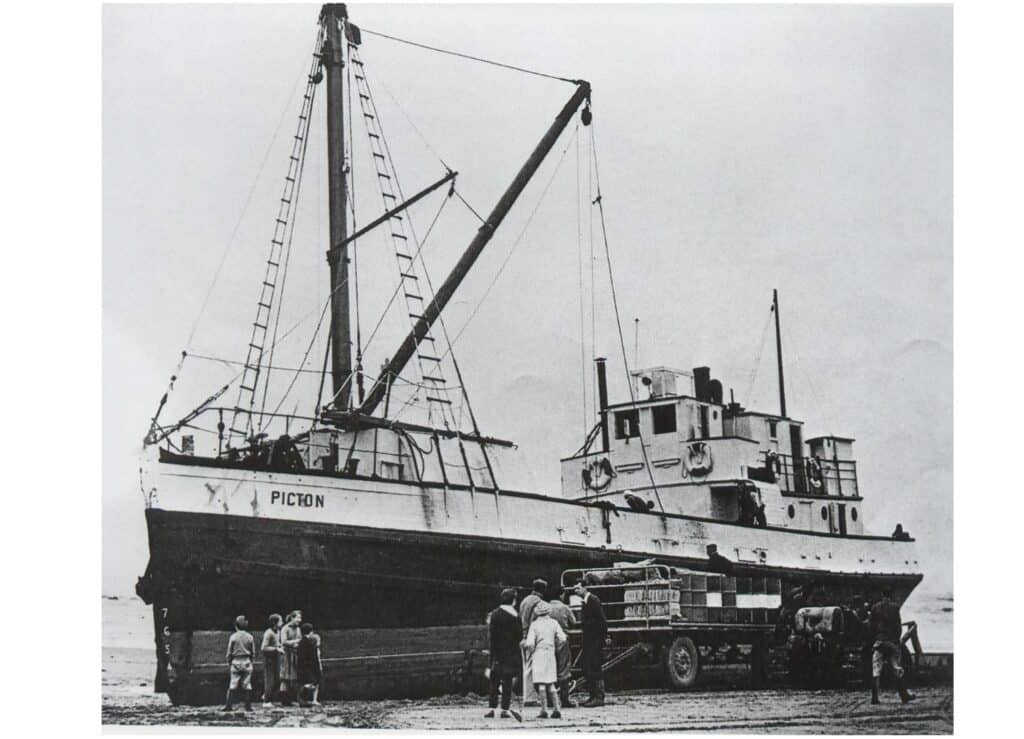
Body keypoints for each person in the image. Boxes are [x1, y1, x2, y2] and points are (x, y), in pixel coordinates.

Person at [869, 589, 915, 705]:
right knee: (897, 669)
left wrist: (874, 640)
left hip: (879, 643)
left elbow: (871, 626)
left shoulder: (875, 608)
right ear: (890, 596)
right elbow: (898, 627)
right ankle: (904, 696)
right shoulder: (895, 608)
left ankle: (874, 698)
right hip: (891, 643)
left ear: (882, 595)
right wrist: (896, 641)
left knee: (876, 671)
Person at [524, 601, 566, 719]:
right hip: (550, 653)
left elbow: (530, 642)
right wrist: (556, 646)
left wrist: (530, 651)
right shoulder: (554, 623)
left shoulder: (535, 624)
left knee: (541, 683)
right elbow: (563, 638)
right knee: (551, 682)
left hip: (539, 653)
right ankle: (557, 708)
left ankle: (544, 709)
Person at [485, 588, 522, 718]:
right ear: (513, 600)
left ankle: (491, 708)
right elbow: (519, 636)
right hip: (511, 652)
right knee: (507, 682)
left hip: (497, 652)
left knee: (494, 681)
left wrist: (491, 658)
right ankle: (505, 709)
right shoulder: (515, 616)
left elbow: (492, 637)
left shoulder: (495, 614)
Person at [573, 581, 608, 707]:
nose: (575, 591)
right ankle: (592, 696)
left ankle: (598, 697)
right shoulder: (586, 601)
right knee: (588, 667)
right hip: (589, 640)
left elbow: (602, 621)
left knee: (595, 667)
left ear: (585, 588)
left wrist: (600, 640)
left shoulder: (593, 600)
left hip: (594, 640)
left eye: (578, 588)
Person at [518, 579, 547, 706]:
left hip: (522, 636)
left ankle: (529, 696)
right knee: (531, 668)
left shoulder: (525, 600)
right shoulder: (539, 603)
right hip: (530, 637)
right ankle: (530, 698)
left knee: (527, 666)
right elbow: (534, 622)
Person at [547, 588, 577, 708]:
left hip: (548, 640)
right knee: (564, 669)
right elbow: (573, 621)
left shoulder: (546, 608)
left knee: (550, 669)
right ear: (561, 595)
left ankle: (550, 699)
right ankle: (565, 699)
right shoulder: (565, 607)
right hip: (563, 639)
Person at [223, 615, 255, 711]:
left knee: (233, 684)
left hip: (236, 661)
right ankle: (248, 706)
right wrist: (251, 662)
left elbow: (229, 652)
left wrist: (230, 662)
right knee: (247, 684)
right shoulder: (250, 637)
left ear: (236, 626)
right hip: (247, 661)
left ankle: (228, 706)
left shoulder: (233, 637)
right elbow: (253, 652)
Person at [296, 622, 323, 707]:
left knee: (308, 683)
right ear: (311, 632)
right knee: (310, 683)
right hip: (309, 666)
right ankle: (302, 699)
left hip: (304, 666)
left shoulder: (302, 642)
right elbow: (312, 657)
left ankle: (304, 699)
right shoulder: (309, 643)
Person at [279, 610, 303, 706]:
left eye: (300, 618)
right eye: (298, 617)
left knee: (294, 677)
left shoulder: (298, 629)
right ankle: (284, 700)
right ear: (292, 618)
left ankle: (294, 699)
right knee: (285, 677)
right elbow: (284, 641)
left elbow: (300, 639)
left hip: (294, 655)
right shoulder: (285, 629)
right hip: (286, 655)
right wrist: (295, 642)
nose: (299, 620)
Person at [260, 613, 283, 706]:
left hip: (276, 659)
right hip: (269, 660)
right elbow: (264, 648)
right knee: (270, 680)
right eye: (280, 621)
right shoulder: (268, 633)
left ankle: (266, 695)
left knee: (278, 680)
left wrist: (279, 647)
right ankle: (266, 701)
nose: (282, 623)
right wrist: (276, 649)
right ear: (275, 623)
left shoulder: (278, 632)